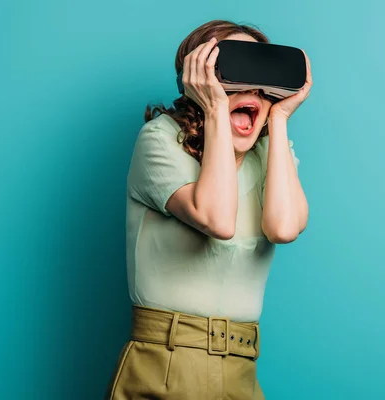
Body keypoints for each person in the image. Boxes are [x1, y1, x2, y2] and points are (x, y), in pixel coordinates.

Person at [105, 19, 311, 399]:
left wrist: (279, 118)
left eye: (260, 75)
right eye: (232, 72)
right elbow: (217, 218)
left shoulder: (270, 155)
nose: (250, 88)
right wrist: (215, 106)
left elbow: (283, 228)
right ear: (199, 77)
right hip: (165, 364)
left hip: (240, 371)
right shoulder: (162, 139)